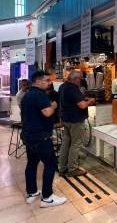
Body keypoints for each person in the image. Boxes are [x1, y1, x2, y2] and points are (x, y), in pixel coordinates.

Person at [20, 71, 67, 208]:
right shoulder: (39, 95)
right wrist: (53, 106)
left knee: (32, 164)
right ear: (38, 81)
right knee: (51, 164)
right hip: (40, 137)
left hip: (29, 136)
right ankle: (47, 197)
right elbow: (47, 113)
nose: (49, 82)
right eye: (47, 80)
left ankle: (32, 192)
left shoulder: (27, 95)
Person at [58, 71, 96, 177]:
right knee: (75, 144)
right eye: (80, 79)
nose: (81, 81)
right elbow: (82, 105)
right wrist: (90, 101)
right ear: (75, 79)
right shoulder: (72, 88)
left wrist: (84, 98)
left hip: (65, 119)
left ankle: (62, 168)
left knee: (66, 143)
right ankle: (72, 169)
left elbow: (73, 100)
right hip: (75, 121)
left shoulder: (63, 86)